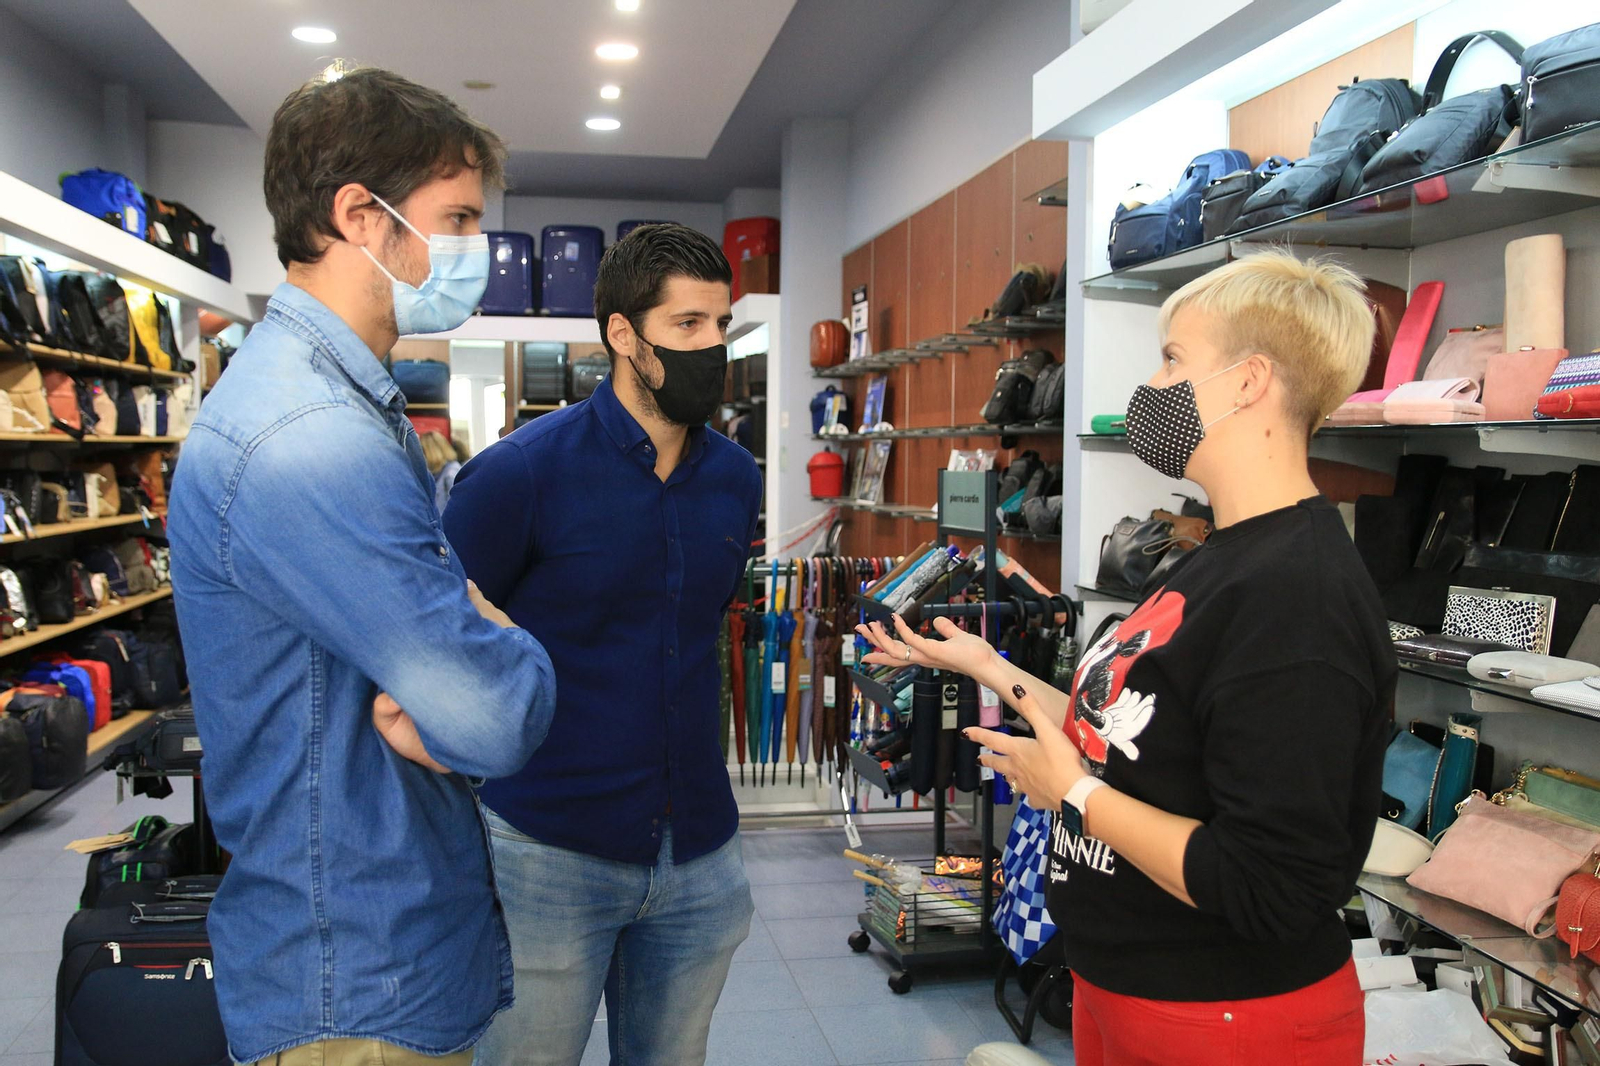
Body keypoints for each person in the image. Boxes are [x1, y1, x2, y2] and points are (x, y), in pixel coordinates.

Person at [859, 252, 1393, 1066]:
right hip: (1130, 989)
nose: (1154, 382)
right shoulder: (1224, 553)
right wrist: (984, 665)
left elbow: (1267, 883)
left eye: (1175, 358)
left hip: (1226, 1017)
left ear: (1248, 382)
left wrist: (1069, 789)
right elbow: (1129, 733)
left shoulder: (1298, 596)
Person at [168, 67, 558, 1066]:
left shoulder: (339, 406)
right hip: (354, 983)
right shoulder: (310, 439)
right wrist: (500, 643)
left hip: (376, 946)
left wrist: (453, 639)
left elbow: (442, 689)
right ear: (361, 216)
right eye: (458, 218)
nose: (477, 252)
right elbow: (490, 713)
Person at [444, 223, 762, 1066]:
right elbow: (444, 646)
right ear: (624, 334)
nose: (713, 346)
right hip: (548, 853)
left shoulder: (736, 479)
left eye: (722, 325)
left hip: (699, 849)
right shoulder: (519, 476)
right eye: (688, 326)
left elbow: (698, 637)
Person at [420, 430, 462, 511]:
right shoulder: (437, 473)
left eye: (423, 452)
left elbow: (458, 509)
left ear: (432, 452)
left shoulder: (451, 474)